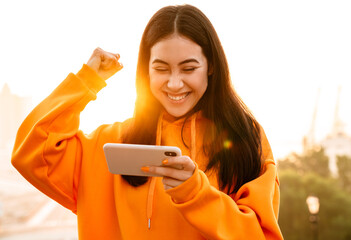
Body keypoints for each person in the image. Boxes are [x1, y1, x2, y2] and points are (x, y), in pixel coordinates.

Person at [11, 4, 283, 240]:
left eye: (189, 68)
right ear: (146, 70)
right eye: (161, 69)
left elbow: (261, 235)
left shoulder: (245, 139)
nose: (175, 83)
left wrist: (195, 192)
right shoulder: (112, 142)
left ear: (211, 66)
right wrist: (85, 82)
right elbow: (32, 150)